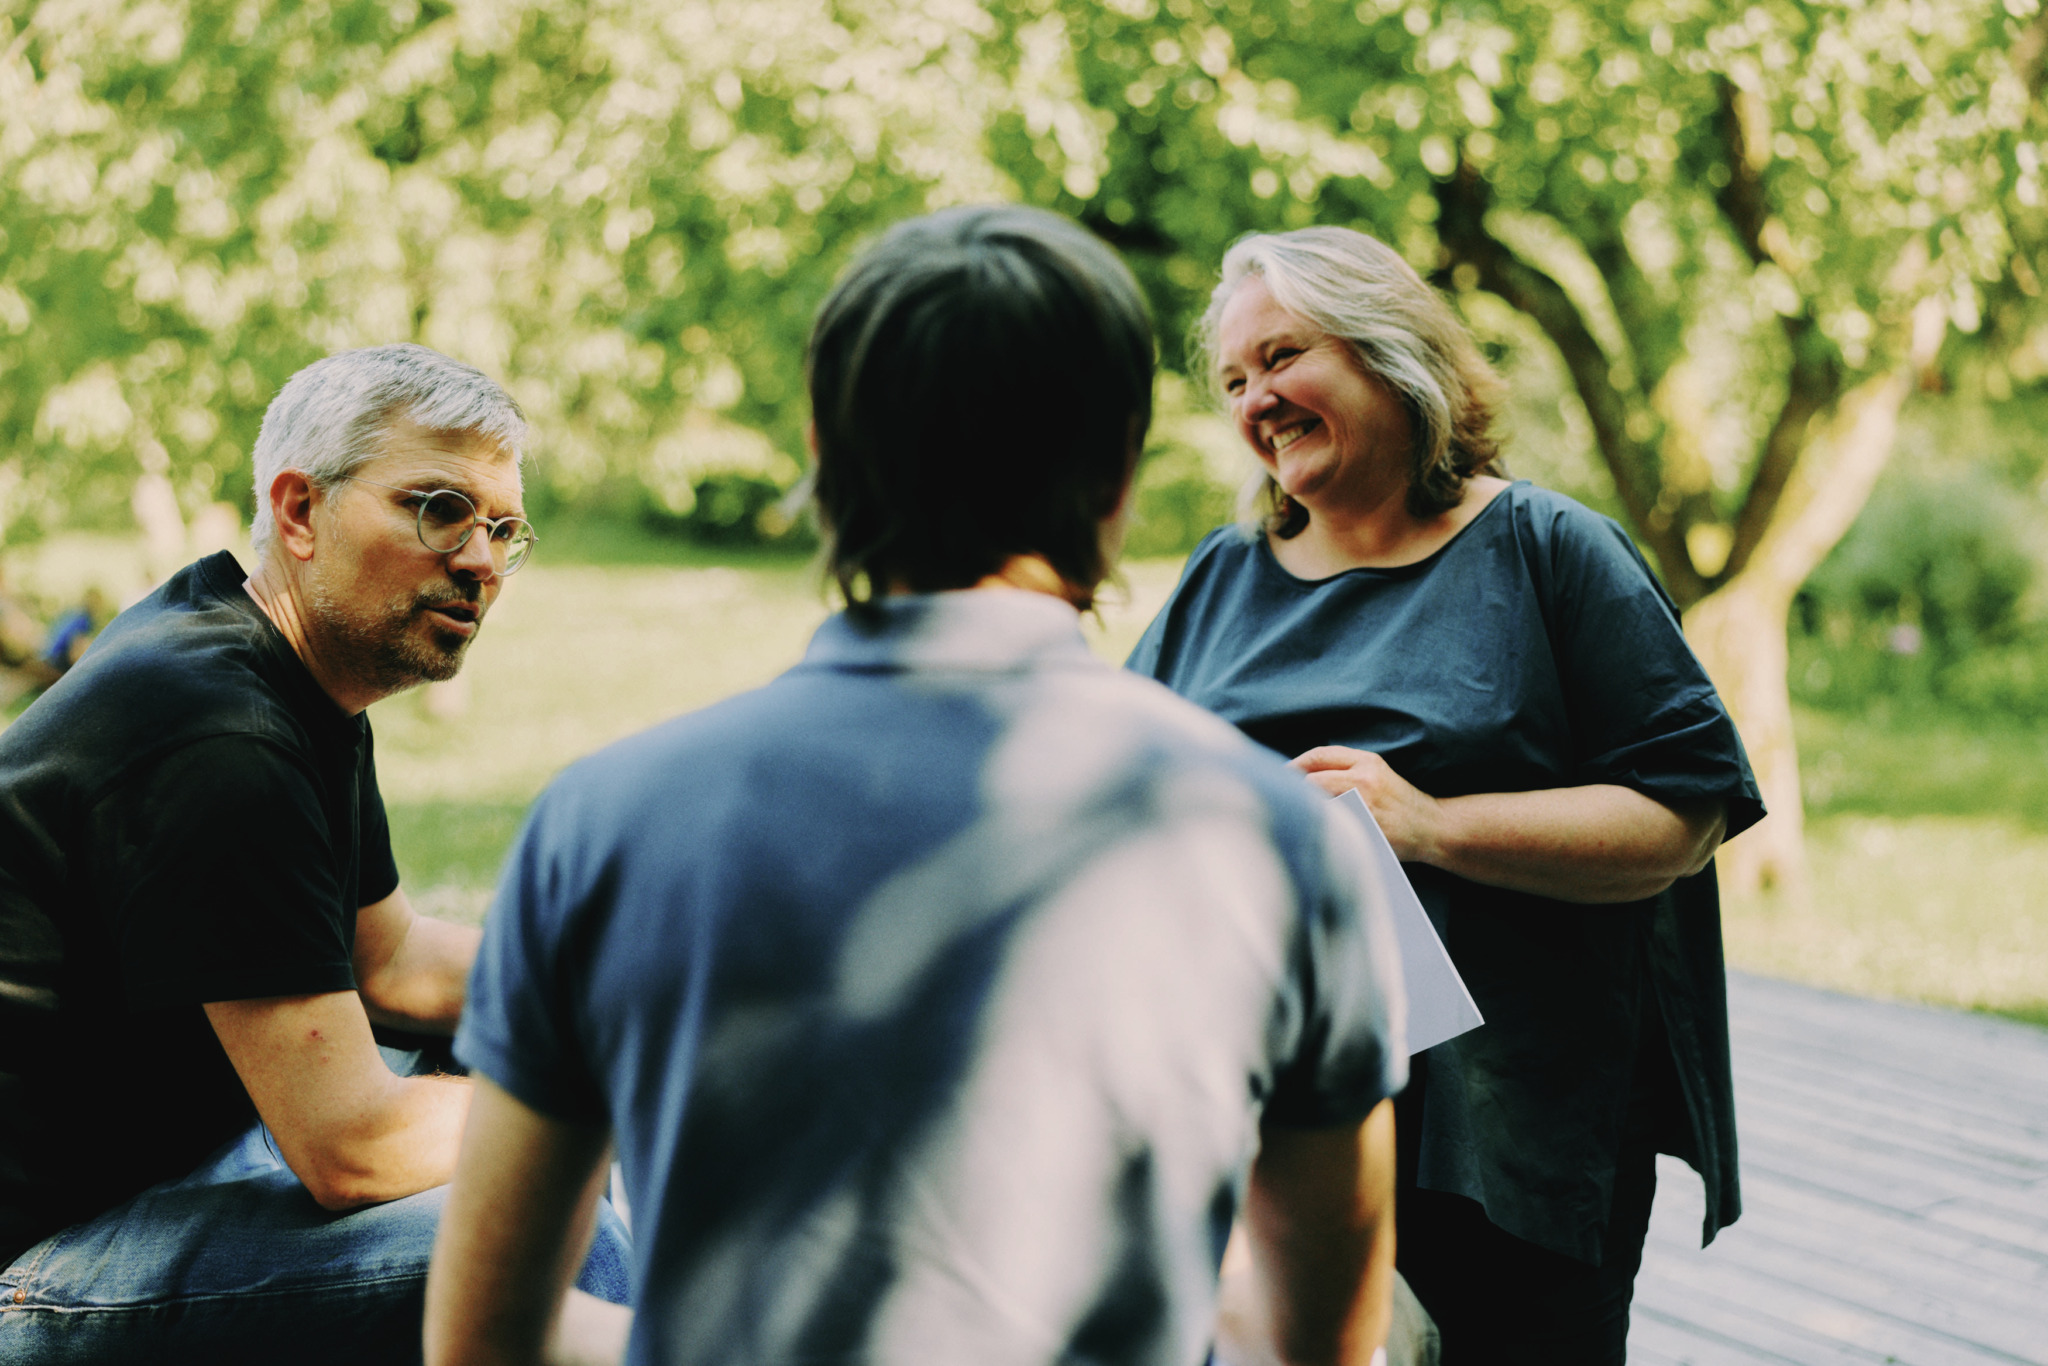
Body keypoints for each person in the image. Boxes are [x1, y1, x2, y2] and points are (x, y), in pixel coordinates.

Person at [424, 205, 1409, 1366]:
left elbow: (482, 1339)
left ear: (826, 461)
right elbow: (1322, 1346)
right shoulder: (1280, 839)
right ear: (1117, 475)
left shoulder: (599, 821)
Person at [1126, 227, 1766, 1365]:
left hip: (1505, 1141)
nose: (1256, 399)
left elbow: (1683, 813)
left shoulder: (1547, 551)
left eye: (1281, 357)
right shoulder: (1218, 578)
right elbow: (1116, 796)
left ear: (1390, 353)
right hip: (1258, 1121)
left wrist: (1426, 826)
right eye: (1232, 379)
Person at [0, 343, 627, 1363]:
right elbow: (352, 1149)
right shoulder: (214, 733)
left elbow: (393, 961)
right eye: (439, 509)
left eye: (503, 530)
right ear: (298, 512)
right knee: (544, 1212)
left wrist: (634, 982)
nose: (478, 560)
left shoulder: (291, 675)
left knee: (517, 1050)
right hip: (40, 1259)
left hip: (170, 1162)